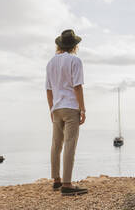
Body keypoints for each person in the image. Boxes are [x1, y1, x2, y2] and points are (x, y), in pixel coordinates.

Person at [45, 29, 88, 196]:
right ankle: (67, 184)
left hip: (56, 108)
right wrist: (82, 109)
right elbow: (77, 86)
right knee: (70, 144)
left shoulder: (50, 63)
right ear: (74, 46)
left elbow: (48, 90)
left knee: (56, 144)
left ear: (59, 45)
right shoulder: (75, 61)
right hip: (71, 107)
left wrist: (51, 109)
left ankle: (56, 180)